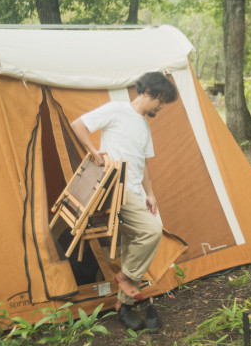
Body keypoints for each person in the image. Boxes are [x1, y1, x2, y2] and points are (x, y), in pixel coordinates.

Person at [71, 72, 178, 330]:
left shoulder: (143, 124)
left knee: (133, 246)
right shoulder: (117, 110)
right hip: (115, 189)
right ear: (149, 91)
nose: (162, 107)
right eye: (161, 100)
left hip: (135, 192)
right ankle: (127, 278)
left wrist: (150, 194)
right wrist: (94, 152)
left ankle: (124, 307)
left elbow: (144, 164)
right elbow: (78, 124)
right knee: (151, 232)